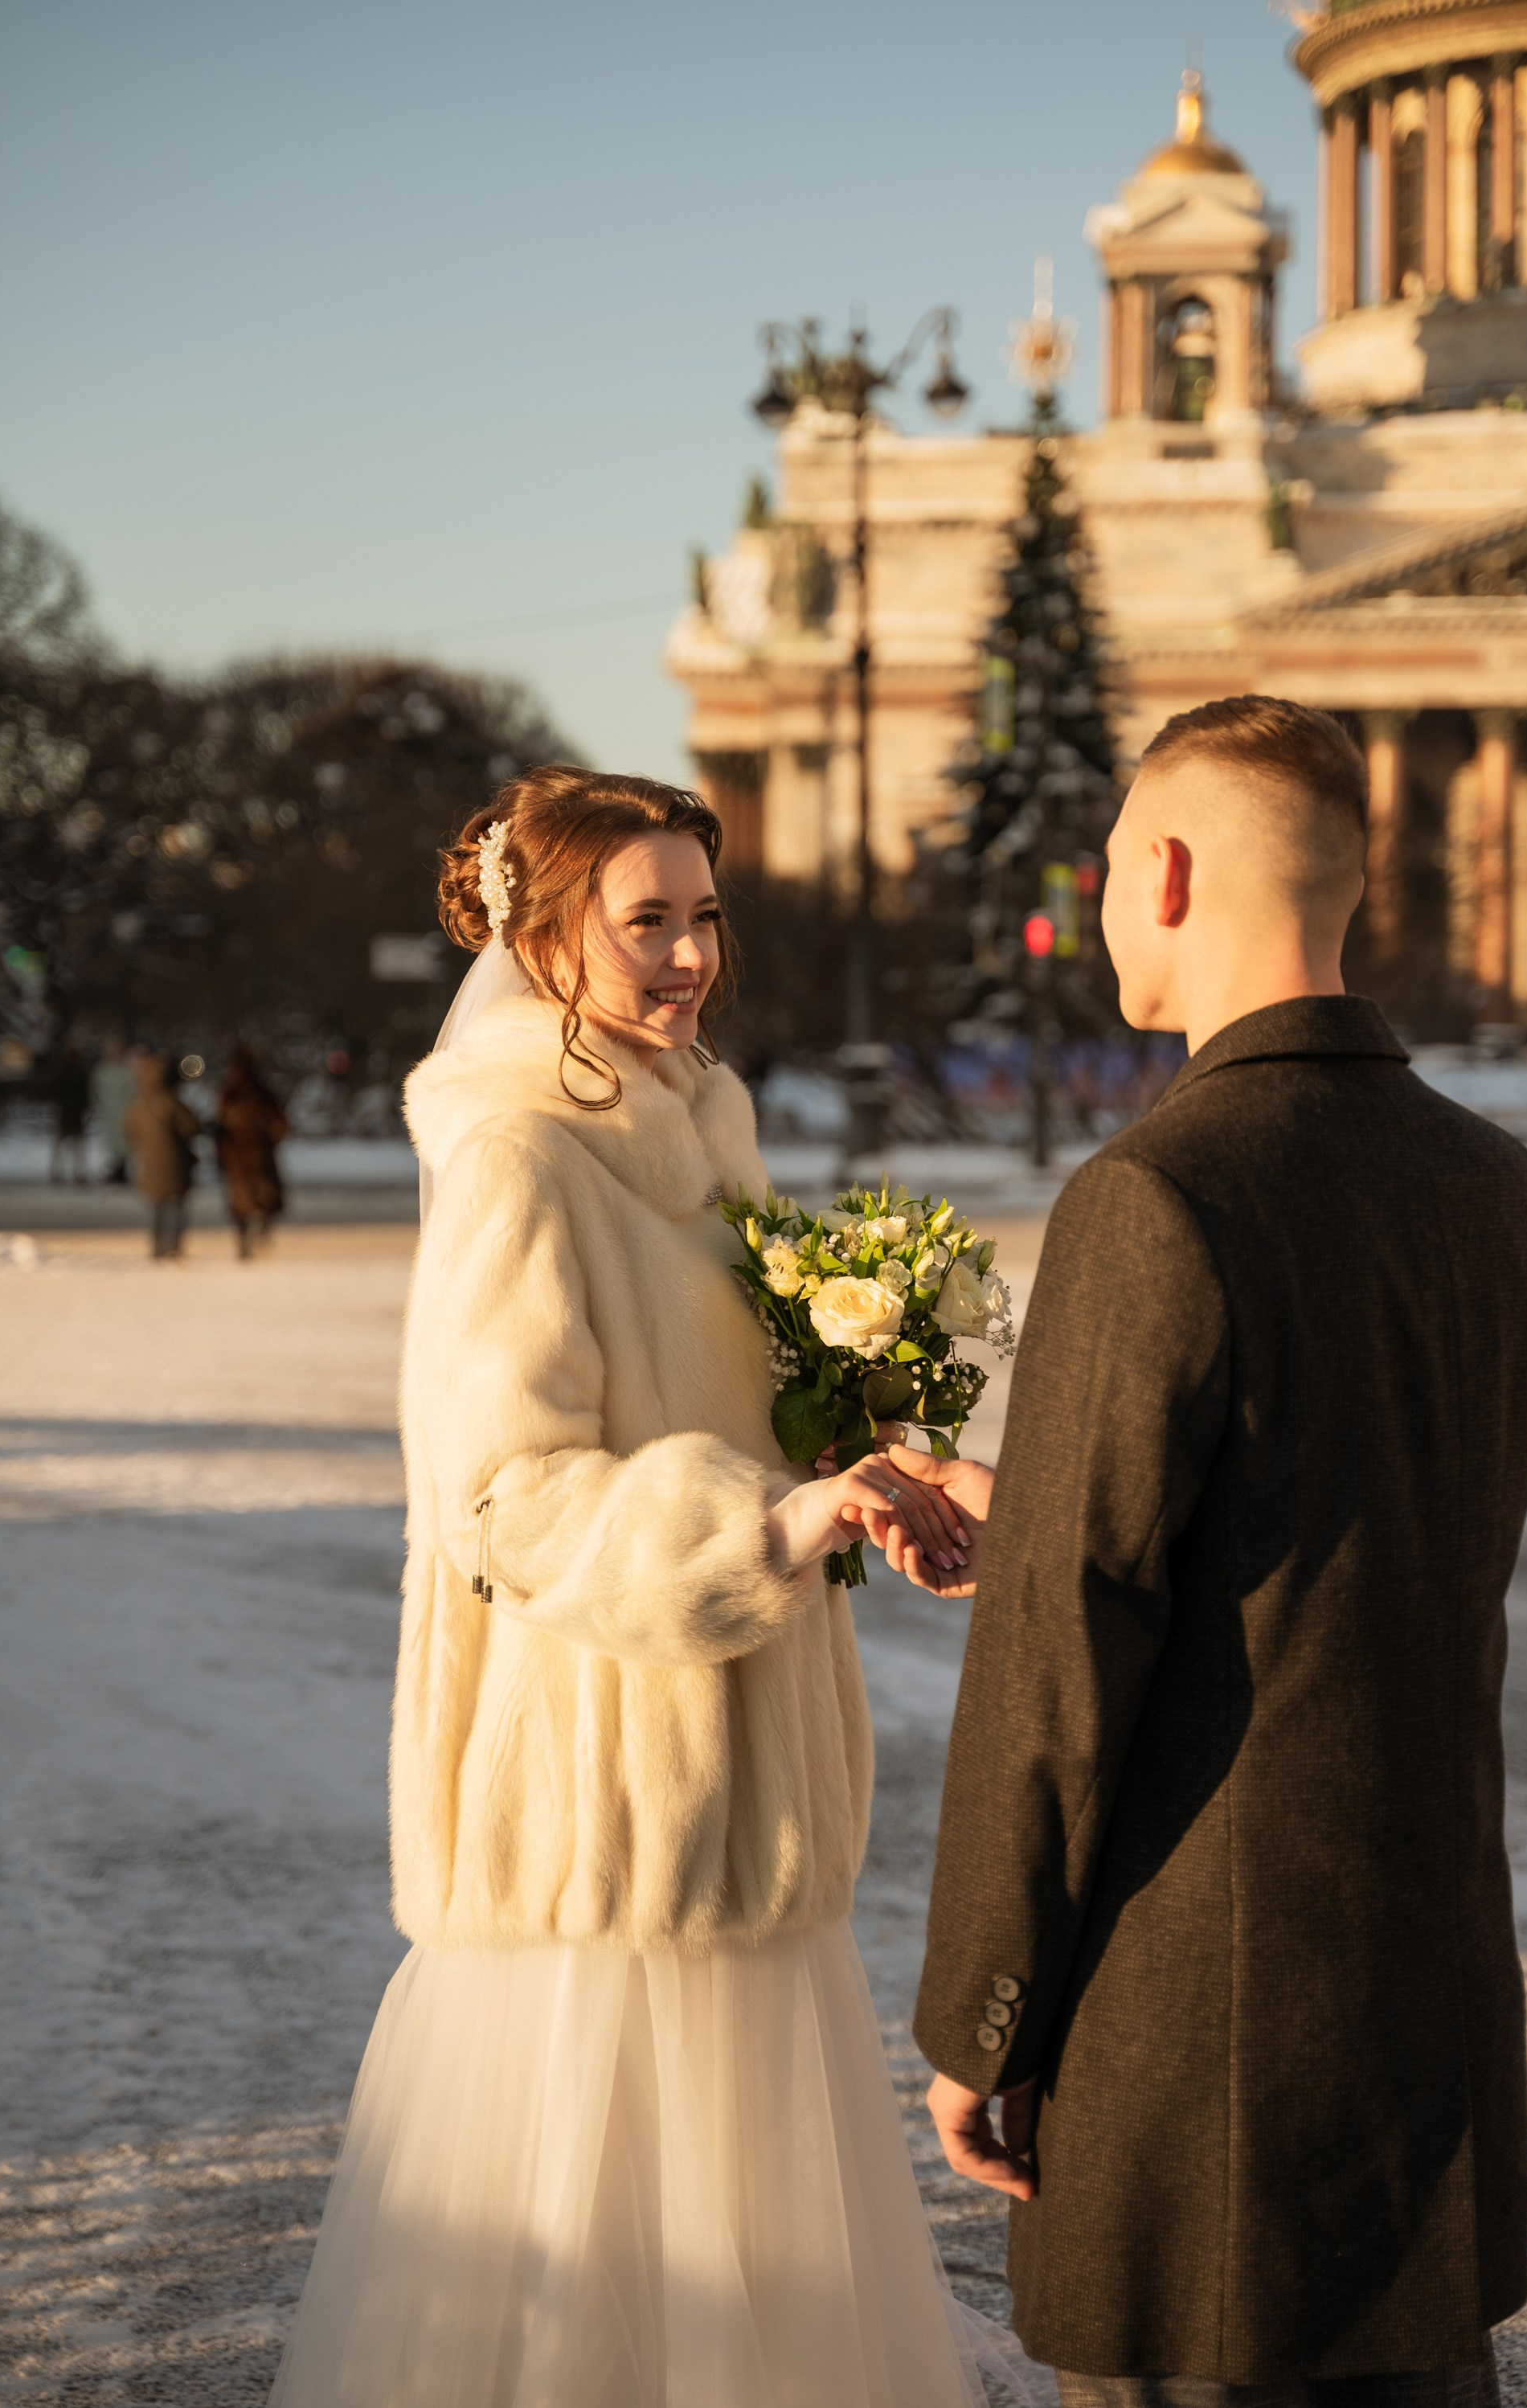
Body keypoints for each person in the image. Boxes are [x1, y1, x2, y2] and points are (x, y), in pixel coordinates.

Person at [268, 767, 1035, 2408]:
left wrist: (861, 1476)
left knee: (756, 2306)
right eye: (646, 923)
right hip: (595, 1827)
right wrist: (759, 1526)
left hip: (742, 1810)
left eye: (704, 915)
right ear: (543, 941)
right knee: (590, 2318)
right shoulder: (518, 1161)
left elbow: (735, 1418)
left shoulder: (707, 1125)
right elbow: (505, 1500)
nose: (689, 955)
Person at [890, 694, 1527, 2406]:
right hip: (1421, 2016)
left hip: (1200, 2043)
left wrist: (981, 2016)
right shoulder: (1500, 1186)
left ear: (1170, 871)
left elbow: (1061, 1663)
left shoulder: (1155, 1193)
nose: (1108, 901)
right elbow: (1348, 1528)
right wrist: (1037, 1502)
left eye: (1112, 866)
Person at [215, 1044, 288, 1258]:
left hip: (236, 1156)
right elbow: (280, 1125)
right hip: (259, 1153)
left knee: (241, 1201)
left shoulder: (230, 1094)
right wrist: (270, 1141)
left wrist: (222, 1153)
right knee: (264, 1197)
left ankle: (244, 1241)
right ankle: (259, 1234)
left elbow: (221, 1127)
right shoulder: (262, 1093)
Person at [124, 1051, 199, 1259]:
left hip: (149, 1164)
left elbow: (130, 1130)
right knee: (175, 1208)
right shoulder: (172, 1103)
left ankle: (157, 1247)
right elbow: (190, 1128)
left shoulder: (139, 1104)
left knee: (155, 1209)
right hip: (176, 1165)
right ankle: (173, 1246)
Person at [89, 1036, 135, 1184]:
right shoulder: (101, 1070)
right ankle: (118, 1168)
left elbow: (132, 1089)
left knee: (123, 1140)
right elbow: (95, 1089)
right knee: (114, 1141)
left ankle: (121, 1169)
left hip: (124, 1110)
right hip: (109, 1111)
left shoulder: (125, 1070)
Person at [47, 1040, 92, 1182]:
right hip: (76, 1112)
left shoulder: (60, 1072)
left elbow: (54, 1093)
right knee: (77, 1146)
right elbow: (86, 1094)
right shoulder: (81, 1073)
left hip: (64, 1112)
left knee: (60, 1145)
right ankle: (79, 1172)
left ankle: (56, 1172)